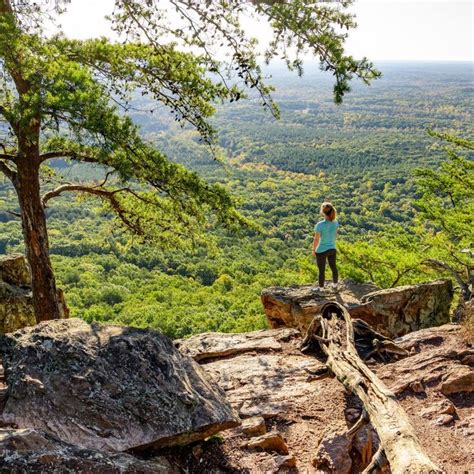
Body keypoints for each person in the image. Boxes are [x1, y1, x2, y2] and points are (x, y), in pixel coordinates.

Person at [312, 202, 339, 289]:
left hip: (321, 250)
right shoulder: (335, 223)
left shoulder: (320, 225)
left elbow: (316, 239)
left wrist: (314, 250)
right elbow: (335, 235)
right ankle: (335, 285)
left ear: (323, 212)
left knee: (321, 270)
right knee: (333, 267)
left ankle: (321, 288)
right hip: (332, 248)